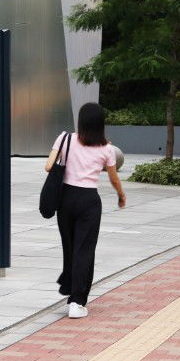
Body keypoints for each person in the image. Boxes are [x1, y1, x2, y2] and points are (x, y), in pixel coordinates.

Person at [45, 102, 126, 319]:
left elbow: (48, 166)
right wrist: (121, 195)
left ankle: (70, 287)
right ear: (101, 124)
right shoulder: (106, 149)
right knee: (85, 250)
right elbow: (113, 177)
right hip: (89, 201)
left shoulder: (64, 139)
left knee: (70, 248)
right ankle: (77, 301)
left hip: (66, 199)